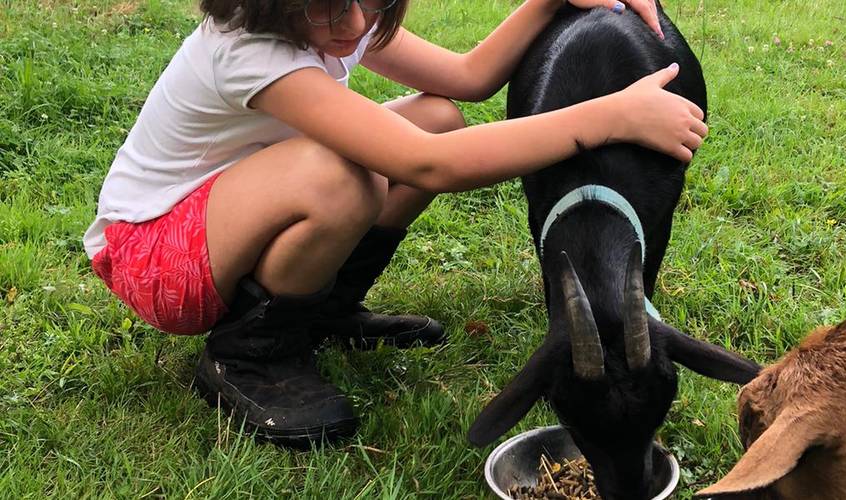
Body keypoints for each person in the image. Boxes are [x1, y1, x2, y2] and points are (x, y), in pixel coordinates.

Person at [83, 0, 708, 448]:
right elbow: (427, 166)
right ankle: (248, 357)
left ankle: (319, 311)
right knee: (339, 179)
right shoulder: (248, 49)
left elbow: (470, 80)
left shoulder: (333, 13)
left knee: (437, 115)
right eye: (329, 10)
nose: (356, 24)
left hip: (229, 215)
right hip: (154, 253)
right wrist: (607, 117)